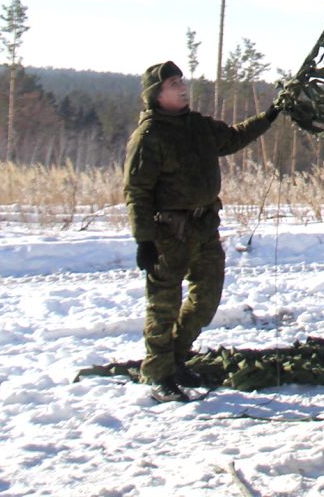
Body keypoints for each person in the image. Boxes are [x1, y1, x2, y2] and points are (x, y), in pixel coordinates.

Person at [123, 59, 280, 402]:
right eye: (172, 84)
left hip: (204, 227)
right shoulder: (148, 136)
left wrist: (269, 117)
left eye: (181, 80)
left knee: (206, 299)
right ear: (156, 95)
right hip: (168, 233)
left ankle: (176, 358)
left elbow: (233, 137)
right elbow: (136, 192)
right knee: (163, 307)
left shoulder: (197, 126)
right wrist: (144, 240)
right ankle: (159, 373)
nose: (182, 87)